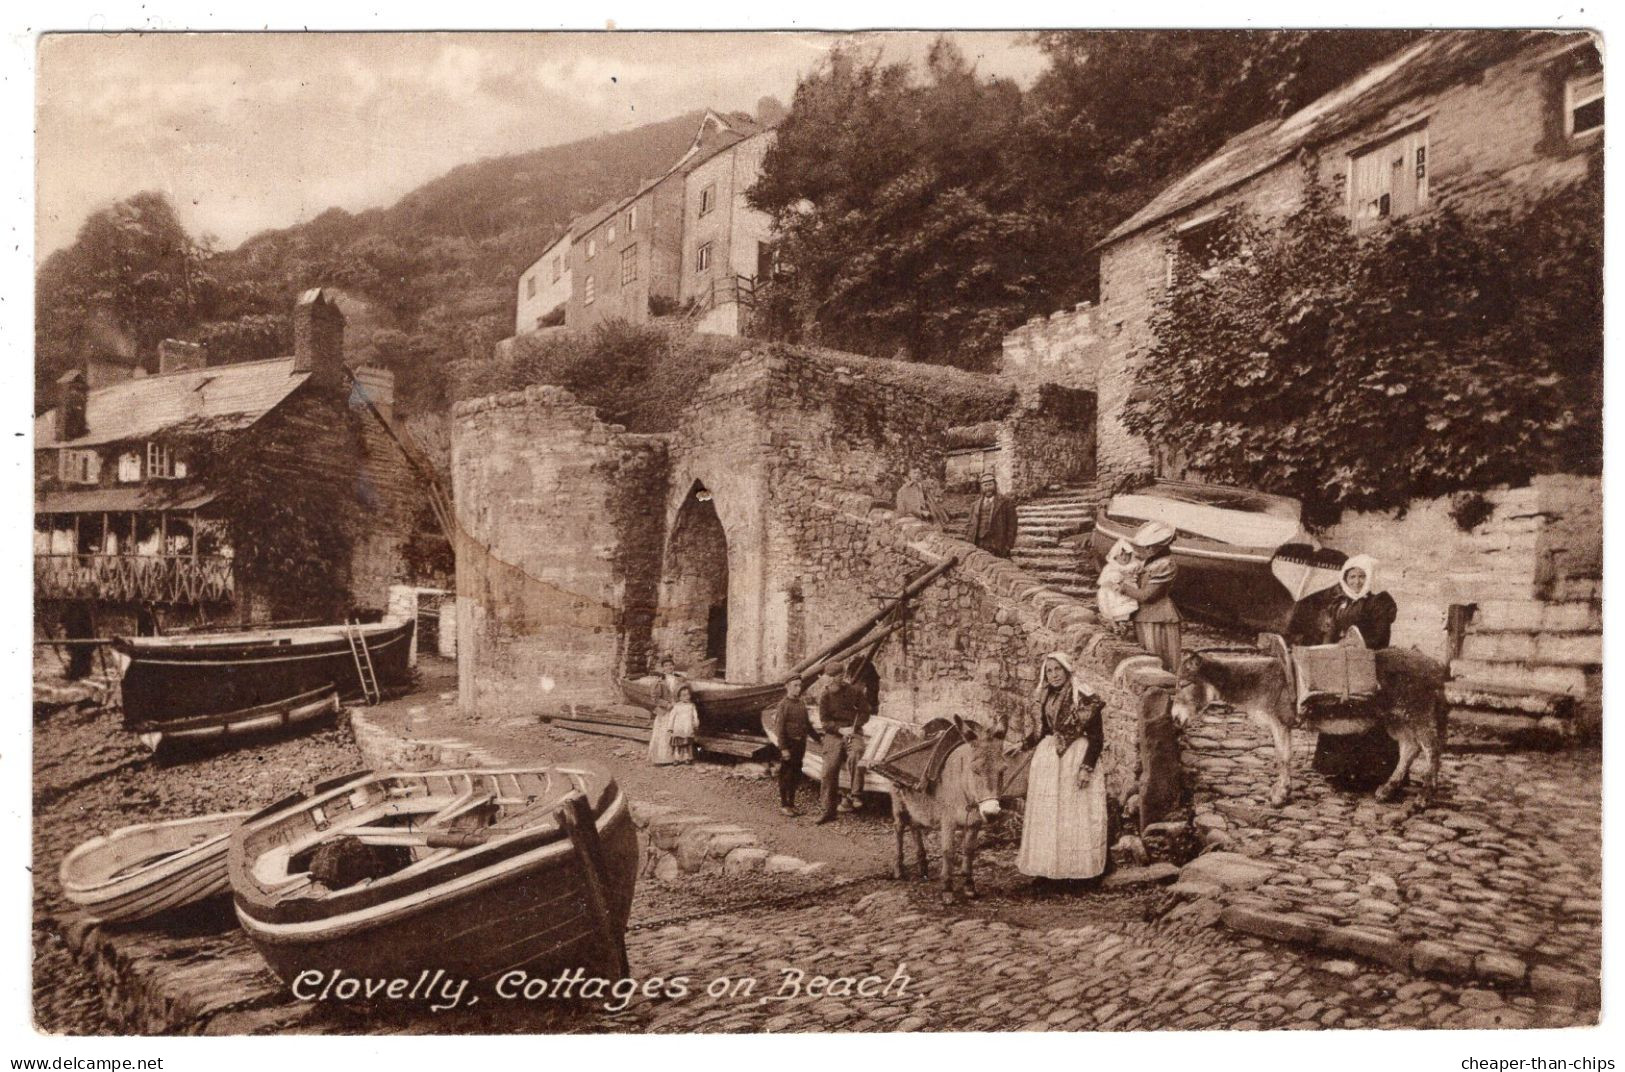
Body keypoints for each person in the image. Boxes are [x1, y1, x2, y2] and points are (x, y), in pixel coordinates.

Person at [1015, 652, 1108, 882]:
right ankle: (1047, 870)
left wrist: (1086, 767)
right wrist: (1023, 744)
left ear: (1067, 670)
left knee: (1074, 813)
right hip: (1049, 761)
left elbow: (1097, 737)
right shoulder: (1046, 695)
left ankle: (1077, 873)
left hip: (1075, 757)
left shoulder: (1084, 697)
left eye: (1058, 670)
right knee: (1049, 813)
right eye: (1049, 670)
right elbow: (1044, 731)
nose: (1054, 675)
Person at [1310, 555, 1401, 788]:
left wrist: (1356, 642)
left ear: (1369, 577)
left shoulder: (1378, 603)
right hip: (1342, 666)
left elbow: (1380, 635)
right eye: (1352, 576)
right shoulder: (1339, 603)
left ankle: (1371, 774)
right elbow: (1330, 633)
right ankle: (1338, 770)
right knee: (1338, 712)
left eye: (1362, 576)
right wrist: (1327, 642)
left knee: (1367, 715)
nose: (1357, 582)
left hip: (1368, 665)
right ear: (1345, 578)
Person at [814, 659, 872, 824]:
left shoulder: (854, 691)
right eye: (829, 677)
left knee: (856, 754)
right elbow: (824, 722)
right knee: (829, 768)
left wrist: (854, 727)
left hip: (853, 731)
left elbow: (865, 712)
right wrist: (839, 730)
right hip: (834, 734)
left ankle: (855, 796)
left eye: (836, 677)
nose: (832, 680)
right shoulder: (825, 696)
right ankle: (828, 810)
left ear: (843, 676)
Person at [1118, 521, 1181, 672]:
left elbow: (1147, 596)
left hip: (1159, 617)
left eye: (1150, 546)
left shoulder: (1165, 564)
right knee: (1148, 659)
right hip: (1144, 616)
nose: (1146, 549)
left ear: (1161, 546)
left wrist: (1124, 587)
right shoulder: (1148, 562)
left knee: (1162, 660)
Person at [765, 676, 814, 816]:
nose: (798, 688)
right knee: (786, 774)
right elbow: (779, 729)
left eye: (799, 685)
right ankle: (784, 805)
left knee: (796, 774)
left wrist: (818, 739)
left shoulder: (801, 704)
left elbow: (808, 725)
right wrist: (784, 749)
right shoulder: (783, 705)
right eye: (795, 685)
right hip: (789, 745)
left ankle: (792, 804)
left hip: (800, 744)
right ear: (787, 686)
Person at [966, 472, 1017, 558]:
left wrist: (1008, 545)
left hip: (998, 544)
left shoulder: (1006, 502)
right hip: (979, 543)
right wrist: (969, 542)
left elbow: (1012, 526)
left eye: (990, 485)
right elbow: (969, 525)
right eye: (985, 485)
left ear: (995, 485)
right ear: (981, 487)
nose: (988, 488)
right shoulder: (974, 505)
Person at [1095, 538, 1139, 627]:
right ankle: (1113, 623)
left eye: (1127, 555)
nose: (1124, 557)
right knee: (1106, 598)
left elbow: (1136, 577)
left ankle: (1122, 621)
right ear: (1115, 556)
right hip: (1112, 590)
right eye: (1121, 555)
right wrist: (1114, 583)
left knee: (1127, 605)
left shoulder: (1133, 566)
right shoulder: (1111, 567)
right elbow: (1105, 581)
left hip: (1127, 590)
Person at [667, 683, 699, 764]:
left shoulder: (691, 706)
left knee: (686, 744)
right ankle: (676, 759)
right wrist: (670, 728)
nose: (687, 697)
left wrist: (696, 724)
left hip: (687, 728)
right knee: (677, 745)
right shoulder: (677, 706)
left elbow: (695, 716)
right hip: (678, 728)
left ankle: (686, 758)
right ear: (679, 697)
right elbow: (672, 717)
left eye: (688, 695)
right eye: (684, 695)